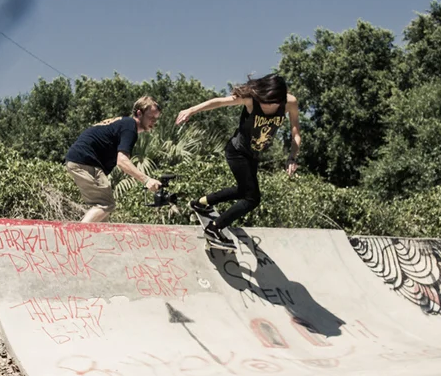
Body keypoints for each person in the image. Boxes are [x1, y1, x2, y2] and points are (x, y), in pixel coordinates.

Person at [175, 73, 301, 249]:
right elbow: (219, 102)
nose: (267, 106)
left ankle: (200, 203)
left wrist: (292, 156)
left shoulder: (290, 102)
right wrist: (191, 110)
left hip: (254, 155)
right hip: (237, 151)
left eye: (271, 103)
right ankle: (215, 228)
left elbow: (295, 131)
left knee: (242, 190)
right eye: (264, 101)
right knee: (252, 198)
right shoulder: (251, 99)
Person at [65, 96, 164, 223]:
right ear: (139, 113)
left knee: (102, 218)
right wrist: (146, 180)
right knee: (106, 205)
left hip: (80, 160)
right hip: (86, 162)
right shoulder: (130, 126)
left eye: (156, 119)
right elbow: (122, 161)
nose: (154, 122)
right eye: (151, 117)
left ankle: (93, 241)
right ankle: (77, 237)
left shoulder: (123, 124)